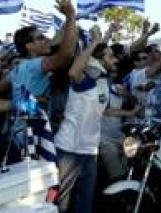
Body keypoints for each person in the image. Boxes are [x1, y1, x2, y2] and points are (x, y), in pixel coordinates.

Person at [54, 29, 140, 213]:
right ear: (97, 60)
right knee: (62, 203)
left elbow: (105, 110)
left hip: (90, 150)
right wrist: (94, 42)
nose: (115, 60)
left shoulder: (104, 83)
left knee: (85, 203)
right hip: (69, 150)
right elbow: (73, 72)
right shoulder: (87, 78)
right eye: (109, 57)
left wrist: (130, 111)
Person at [0, 0, 77, 157]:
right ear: (29, 46)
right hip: (27, 140)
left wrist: (16, 104)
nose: (46, 40)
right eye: (40, 38)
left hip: (14, 137)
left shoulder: (19, 68)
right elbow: (66, 55)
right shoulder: (34, 65)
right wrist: (71, 17)